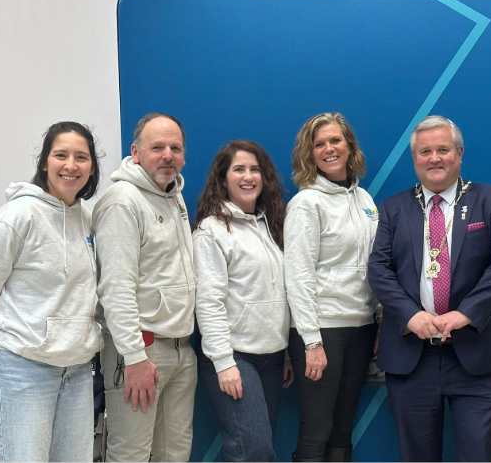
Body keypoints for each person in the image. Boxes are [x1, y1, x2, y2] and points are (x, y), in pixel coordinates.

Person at [368, 115, 491, 462]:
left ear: (460, 153)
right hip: (412, 356)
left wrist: (466, 314)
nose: (434, 158)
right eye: (425, 152)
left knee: (480, 455)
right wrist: (411, 315)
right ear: (415, 159)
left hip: (475, 355)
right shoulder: (393, 208)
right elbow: (379, 269)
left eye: (443, 149)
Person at [0, 121, 102, 461]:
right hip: (21, 368)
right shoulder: (16, 216)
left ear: (92, 168)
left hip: (76, 370)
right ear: (44, 162)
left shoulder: (88, 220)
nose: (71, 165)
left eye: (81, 157)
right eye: (61, 155)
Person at [93, 112, 197, 462]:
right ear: (136, 152)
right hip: (141, 351)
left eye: (175, 147)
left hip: (181, 349)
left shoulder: (174, 195)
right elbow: (115, 288)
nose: (168, 155)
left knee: (173, 455)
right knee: (131, 455)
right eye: (157, 147)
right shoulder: (123, 201)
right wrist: (135, 358)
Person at [284, 112, 378, 462]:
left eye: (335, 140)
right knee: (316, 427)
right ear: (309, 154)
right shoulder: (306, 204)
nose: (328, 149)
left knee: (342, 428)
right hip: (322, 330)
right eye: (318, 144)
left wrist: (380, 322)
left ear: (349, 145)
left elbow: (377, 268)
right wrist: (311, 340)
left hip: (361, 328)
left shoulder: (365, 200)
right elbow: (297, 276)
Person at [193, 140, 293, 462]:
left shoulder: (272, 226)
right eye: (239, 169)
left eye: (255, 169)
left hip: (273, 358)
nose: (248, 176)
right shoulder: (212, 231)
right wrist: (224, 362)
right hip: (235, 357)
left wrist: (288, 352)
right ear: (223, 179)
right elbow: (208, 302)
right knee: (252, 450)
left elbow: (281, 295)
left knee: (259, 448)